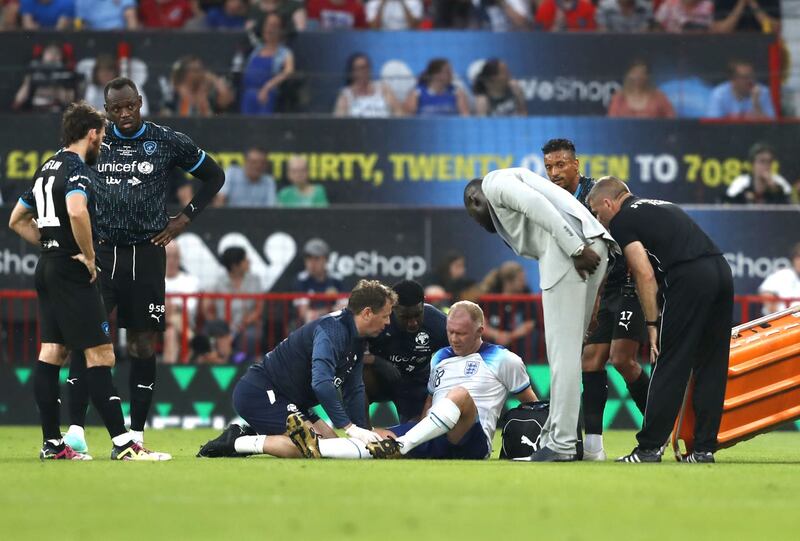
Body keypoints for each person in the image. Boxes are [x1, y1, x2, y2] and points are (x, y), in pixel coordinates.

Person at [63, 77, 225, 457]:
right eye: (115, 109)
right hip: (101, 252)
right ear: (106, 111)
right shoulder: (94, 140)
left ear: (139, 102)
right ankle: (74, 432)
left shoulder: (167, 140)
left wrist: (185, 218)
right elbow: (66, 178)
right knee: (88, 340)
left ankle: (135, 434)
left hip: (146, 253)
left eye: (129, 106)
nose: (124, 115)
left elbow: (214, 176)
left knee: (140, 344)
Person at [8, 102, 166, 461]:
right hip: (71, 270)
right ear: (92, 133)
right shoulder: (77, 169)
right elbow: (78, 210)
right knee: (101, 354)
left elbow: (17, 219)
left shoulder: (45, 168)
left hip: (47, 266)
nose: (103, 142)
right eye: (103, 135)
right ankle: (125, 445)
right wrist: (89, 256)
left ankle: (52, 444)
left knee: (53, 352)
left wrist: (50, 241)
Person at [464, 167, 613, 461]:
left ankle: (562, 443)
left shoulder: (494, 182)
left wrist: (574, 247)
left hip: (572, 251)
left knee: (562, 356)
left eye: (475, 218)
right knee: (570, 354)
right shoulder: (510, 182)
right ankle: (560, 439)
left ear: (474, 200)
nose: (481, 224)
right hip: (593, 244)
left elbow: (535, 204)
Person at [588, 177, 733, 463]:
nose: (597, 220)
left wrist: (652, 324)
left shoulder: (621, 220)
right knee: (712, 364)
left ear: (608, 202)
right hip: (721, 271)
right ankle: (703, 450)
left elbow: (643, 273)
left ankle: (649, 448)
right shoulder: (661, 204)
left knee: (670, 362)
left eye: (596, 212)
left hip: (688, 278)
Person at [288, 301, 537, 460]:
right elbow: (430, 404)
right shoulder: (440, 356)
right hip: (433, 431)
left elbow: (532, 408)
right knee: (371, 436)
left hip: (469, 438)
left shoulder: (504, 359)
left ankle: (403, 445)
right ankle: (316, 448)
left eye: (461, 333)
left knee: (460, 394)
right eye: (450, 332)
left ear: (480, 331)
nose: (453, 338)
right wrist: (405, 428)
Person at [197, 280, 396, 458]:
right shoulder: (332, 332)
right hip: (261, 392)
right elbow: (321, 383)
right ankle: (237, 441)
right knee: (309, 448)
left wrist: (363, 433)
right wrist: (349, 427)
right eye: (385, 316)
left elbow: (354, 388)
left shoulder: (358, 338)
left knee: (333, 447)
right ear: (367, 313)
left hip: (293, 402)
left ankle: (253, 434)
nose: (388, 323)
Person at [542, 138, 649, 461]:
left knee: (624, 361)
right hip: (592, 287)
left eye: (561, 165)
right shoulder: (550, 201)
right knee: (590, 360)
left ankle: (663, 428)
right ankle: (593, 447)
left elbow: (623, 238)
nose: (555, 172)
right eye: (549, 167)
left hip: (624, 284)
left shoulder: (598, 195)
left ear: (576, 164)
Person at [364, 280, 449, 423]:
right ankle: (363, 434)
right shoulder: (376, 320)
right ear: (392, 308)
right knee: (359, 375)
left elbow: (459, 354)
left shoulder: (437, 322)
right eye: (405, 317)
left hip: (415, 384)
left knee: (413, 436)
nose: (413, 322)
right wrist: (378, 362)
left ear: (424, 305)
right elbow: (351, 354)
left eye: (417, 314)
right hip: (380, 379)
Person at [204, 247, 264, 360]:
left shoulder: (255, 280)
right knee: (211, 335)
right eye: (245, 260)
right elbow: (208, 308)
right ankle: (219, 363)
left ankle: (240, 362)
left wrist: (246, 321)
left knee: (250, 337)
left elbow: (259, 308)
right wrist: (219, 325)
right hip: (222, 325)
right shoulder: (218, 283)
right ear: (235, 265)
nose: (249, 262)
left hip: (247, 325)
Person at [479, 261, 537, 358]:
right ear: (509, 282)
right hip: (493, 347)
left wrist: (510, 336)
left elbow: (530, 323)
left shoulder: (527, 295)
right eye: (521, 280)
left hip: (519, 347)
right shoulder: (489, 297)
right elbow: (481, 323)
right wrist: (497, 335)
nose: (524, 282)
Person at [240, 13, 295, 115]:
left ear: (281, 30)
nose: (269, 29)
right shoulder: (255, 50)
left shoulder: (285, 53)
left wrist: (267, 87)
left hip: (268, 94)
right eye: (267, 25)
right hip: (248, 94)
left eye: (274, 26)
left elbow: (288, 72)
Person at [12, 43, 79, 113]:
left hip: (59, 112)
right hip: (35, 111)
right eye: (49, 53)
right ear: (43, 54)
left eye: (57, 53)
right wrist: (28, 82)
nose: (53, 56)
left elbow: (71, 103)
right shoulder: (34, 72)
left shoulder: (66, 74)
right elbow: (18, 101)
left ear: (61, 56)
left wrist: (58, 89)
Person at [292, 238, 345, 325]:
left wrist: (323, 313)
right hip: (307, 329)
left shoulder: (337, 280)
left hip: (334, 327)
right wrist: (331, 310)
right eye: (308, 258)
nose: (312, 263)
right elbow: (304, 313)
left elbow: (343, 310)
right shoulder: (301, 280)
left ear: (326, 259)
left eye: (316, 258)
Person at [163, 241, 200, 364]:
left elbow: (190, 307)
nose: (172, 260)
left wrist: (171, 307)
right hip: (155, 325)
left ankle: (167, 375)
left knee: (171, 331)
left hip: (183, 322)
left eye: (175, 256)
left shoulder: (190, 281)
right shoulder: (152, 280)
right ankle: (192, 340)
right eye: (168, 256)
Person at [333, 53, 402, 118]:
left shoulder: (383, 89)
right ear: (353, 71)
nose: (364, 71)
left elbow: (399, 114)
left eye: (366, 67)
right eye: (359, 68)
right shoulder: (346, 95)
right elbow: (338, 122)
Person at [163, 55, 235, 117]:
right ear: (185, 73)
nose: (200, 73)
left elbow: (225, 99)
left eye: (201, 69)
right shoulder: (175, 92)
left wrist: (214, 79)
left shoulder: (207, 91)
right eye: (195, 70)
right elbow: (165, 113)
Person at [82, 53, 151, 117]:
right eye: (102, 71)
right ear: (96, 73)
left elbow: (142, 112)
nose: (105, 75)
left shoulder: (129, 87)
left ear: (116, 72)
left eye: (109, 71)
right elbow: (88, 114)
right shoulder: (92, 89)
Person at [706, 60, 775, 119]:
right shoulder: (719, 95)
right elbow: (713, 124)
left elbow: (771, 125)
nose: (750, 81)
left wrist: (756, 103)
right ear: (733, 79)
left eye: (752, 76)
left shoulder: (763, 92)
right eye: (745, 77)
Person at [726, 142, 791, 204]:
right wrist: (743, 197)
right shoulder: (741, 183)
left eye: (769, 162)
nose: (766, 166)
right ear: (752, 164)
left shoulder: (779, 182)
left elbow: (791, 209)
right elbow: (728, 206)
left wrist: (775, 190)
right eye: (762, 161)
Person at [607, 60, 675, 119]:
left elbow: (671, 120)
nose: (638, 76)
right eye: (634, 72)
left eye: (642, 73)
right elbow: (612, 124)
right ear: (628, 75)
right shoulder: (619, 98)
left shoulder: (659, 97)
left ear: (647, 76)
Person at [404, 58, 470, 117]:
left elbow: (465, 117)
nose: (452, 74)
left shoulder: (457, 92)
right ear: (436, 75)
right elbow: (408, 117)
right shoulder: (417, 93)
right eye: (448, 72)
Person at [758, 243, 800, 315]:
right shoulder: (783, 274)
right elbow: (766, 293)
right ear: (794, 259)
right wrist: (776, 314)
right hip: (781, 322)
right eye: (798, 257)